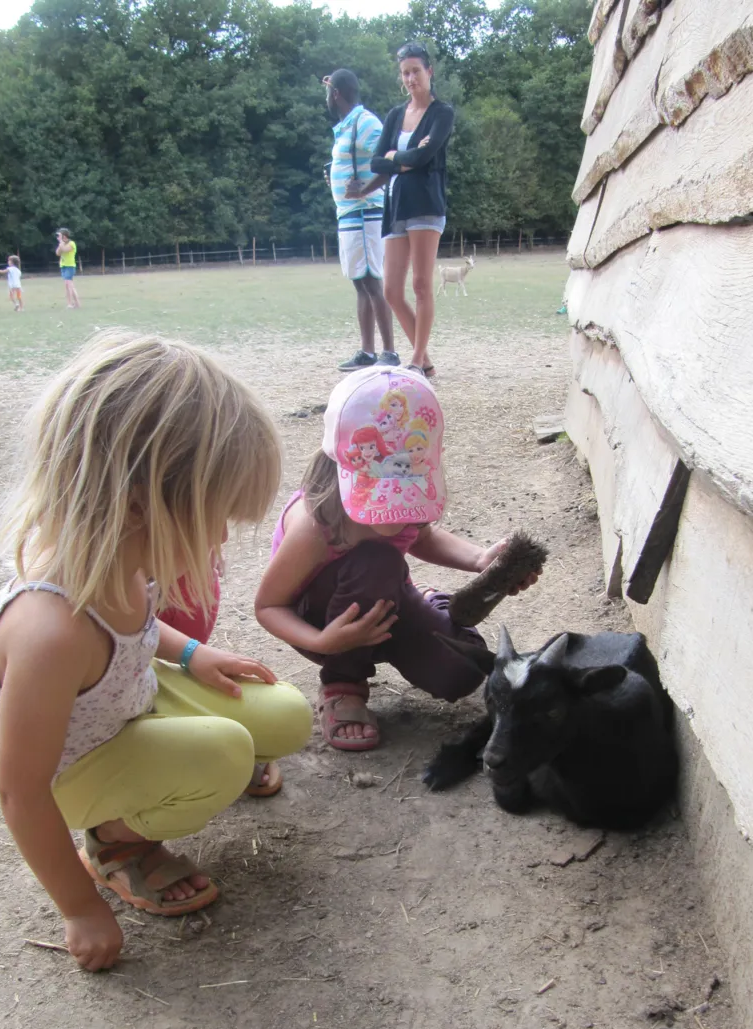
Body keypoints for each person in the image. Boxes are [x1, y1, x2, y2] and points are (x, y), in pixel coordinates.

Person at [0, 332, 313, 971]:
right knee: (227, 755)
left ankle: (167, 764)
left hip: (126, 701)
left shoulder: (129, 553)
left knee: (285, 714)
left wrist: (190, 656)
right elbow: (20, 792)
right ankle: (114, 844)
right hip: (69, 773)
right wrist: (78, 909)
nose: (219, 540)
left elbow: (140, 632)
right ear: (139, 504)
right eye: (215, 518)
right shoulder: (52, 632)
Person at [254, 366, 541, 750]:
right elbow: (269, 605)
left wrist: (480, 560)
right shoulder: (317, 523)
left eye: (407, 497)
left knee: (462, 674)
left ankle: (431, 604)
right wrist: (325, 642)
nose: (399, 513)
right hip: (322, 621)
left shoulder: (408, 501)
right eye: (383, 498)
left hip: (385, 601)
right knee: (378, 562)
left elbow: (421, 535)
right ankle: (344, 684)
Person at [350, 42, 453, 378]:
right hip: (396, 206)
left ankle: (417, 359)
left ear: (429, 72)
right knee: (391, 290)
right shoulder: (395, 115)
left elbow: (424, 157)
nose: (411, 78)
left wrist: (397, 158)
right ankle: (422, 360)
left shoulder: (442, 114)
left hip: (425, 205)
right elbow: (378, 161)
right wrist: (399, 159)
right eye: (405, 73)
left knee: (421, 285)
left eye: (416, 71)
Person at [323, 69, 398, 372]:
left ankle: (389, 352)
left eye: (328, 92)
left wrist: (365, 189)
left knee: (371, 281)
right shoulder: (346, 126)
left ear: (337, 93)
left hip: (366, 213)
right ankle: (367, 351)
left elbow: (393, 159)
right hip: (349, 215)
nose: (326, 99)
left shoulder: (365, 123)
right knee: (360, 283)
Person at [55, 227, 80, 307]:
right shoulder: (62, 244)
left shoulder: (71, 243)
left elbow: (65, 250)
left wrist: (61, 243)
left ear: (64, 236)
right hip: (63, 266)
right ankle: (76, 303)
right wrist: (60, 243)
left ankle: (70, 303)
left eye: (60, 235)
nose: (58, 237)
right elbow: (58, 253)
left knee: (68, 283)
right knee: (69, 285)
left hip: (70, 266)